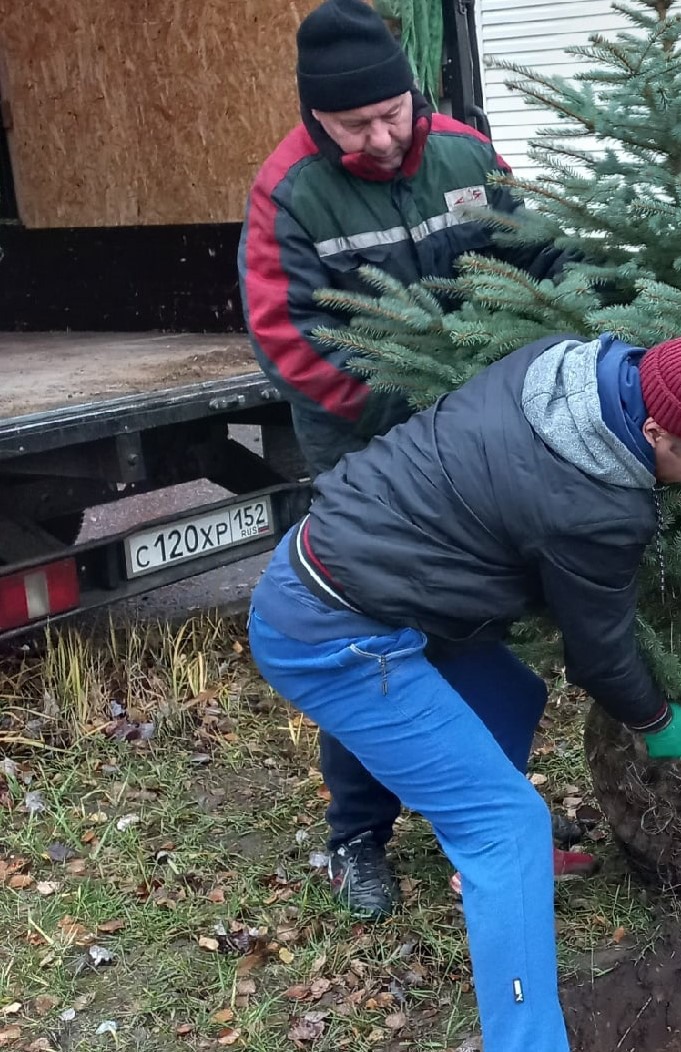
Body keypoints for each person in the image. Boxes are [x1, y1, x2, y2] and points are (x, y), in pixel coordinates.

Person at [248, 331, 681, 1051]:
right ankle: (525, 1029)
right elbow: (599, 654)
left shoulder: (561, 369)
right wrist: (654, 719)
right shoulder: (595, 507)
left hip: (356, 567)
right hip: (333, 633)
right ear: (654, 430)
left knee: (513, 694)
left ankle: (491, 874)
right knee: (509, 827)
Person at [239, 0, 571, 916]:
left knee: (472, 621)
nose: (384, 137)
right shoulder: (289, 193)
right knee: (372, 638)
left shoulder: (467, 154)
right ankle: (358, 837)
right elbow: (289, 341)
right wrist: (415, 402)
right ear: (317, 116)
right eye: (358, 124)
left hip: (488, 447)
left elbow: (544, 261)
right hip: (371, 457)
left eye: (395, 113)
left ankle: (485, 812)